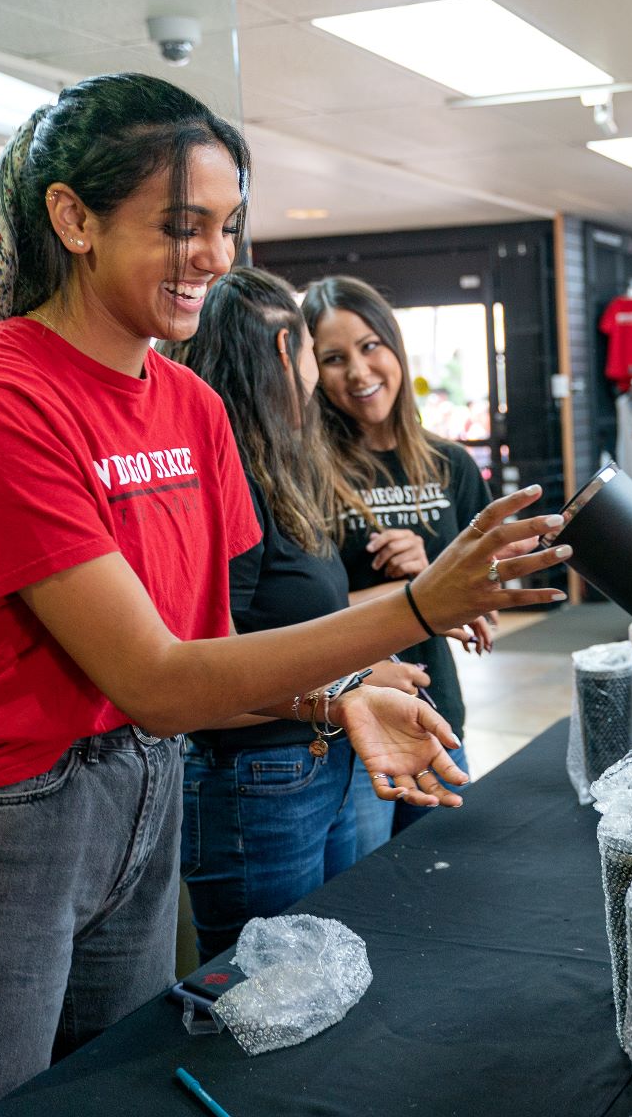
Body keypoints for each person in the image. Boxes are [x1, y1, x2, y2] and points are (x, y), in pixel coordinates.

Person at [0, 73, 570, 1117]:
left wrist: (336, 696)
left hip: (144, 794)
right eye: (183, 227)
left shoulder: (188, 404)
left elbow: (210, 653)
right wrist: (411, 614)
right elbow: (156, 679)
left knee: (113, 1095)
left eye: (229, 228)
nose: (218, 260)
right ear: (74, 219)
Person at [171, 266, 434, 957]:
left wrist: (365, 665)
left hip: (314, 763)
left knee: (326, 965)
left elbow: (293, 626)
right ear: (286, 353)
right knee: (271, 985)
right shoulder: (233, 485)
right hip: (261, 780)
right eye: (319, 352)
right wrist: (346, 687)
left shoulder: (279, 467)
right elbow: (200, 677)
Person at [302, 275, 495, 842]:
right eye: (333, 358)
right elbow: (293, 612)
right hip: (354, 715)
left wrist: (429, 568)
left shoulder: (450, 464)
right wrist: (414, 589)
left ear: (394, 346)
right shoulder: (308, 474)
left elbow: (488, 600)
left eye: (369, 347)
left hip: (437, 702)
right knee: (370, 882)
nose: (359, 373)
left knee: (431, 875)